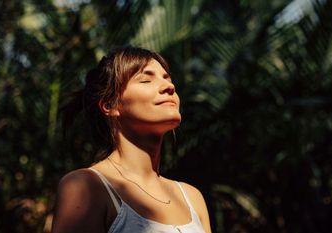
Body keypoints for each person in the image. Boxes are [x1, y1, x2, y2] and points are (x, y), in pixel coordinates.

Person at [52, 47, 212, 233]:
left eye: (167, 78)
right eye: (146, 80)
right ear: (110, 105)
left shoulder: (192, 198)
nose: (170, 87)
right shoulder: (86, 186)